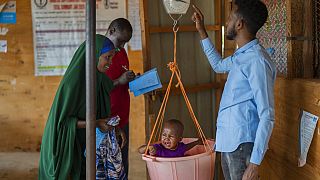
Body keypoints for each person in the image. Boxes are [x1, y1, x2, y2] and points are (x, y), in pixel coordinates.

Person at [192, 1, 276, 179]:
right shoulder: (242, 56)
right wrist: (201, 30)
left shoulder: (257, 61)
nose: (227, 22)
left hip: (242, 144)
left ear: (239, 24)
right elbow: (218, 65)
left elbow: (267, 114)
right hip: (229, 142)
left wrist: (254, 164)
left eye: (230, 18)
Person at [38, 35, 132, 180]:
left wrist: (113, 128)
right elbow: (62, 124)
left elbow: (101, 111)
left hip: (83, 145)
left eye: (112, 58)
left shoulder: (99, 78)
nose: (110, 63)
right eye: (107, 57)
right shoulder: (72, 85)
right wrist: (96, 123)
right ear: (93, 56)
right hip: (64, 147)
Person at [104, 18, 135, 175]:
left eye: (125, 43)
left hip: (123, 117)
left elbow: (122, 79)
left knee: (122, 164)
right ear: (111, 32)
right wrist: (119, 81)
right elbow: (96, 87)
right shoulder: (99, 54)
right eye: (121, 41)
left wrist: (132, 80)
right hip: (105, 119)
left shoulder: (121, 52)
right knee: (107, 166)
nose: (122, 46)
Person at [138, 119, 202, 157]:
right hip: (164, 173)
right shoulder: (158, 148)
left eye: (171, 136)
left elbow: (188, 146)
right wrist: (148, 147)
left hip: (178, 173)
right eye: (164, 135)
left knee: (188, 156)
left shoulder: (180, 147)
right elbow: (140, 150)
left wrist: (197, 142)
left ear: (179, 139)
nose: (166, 138)